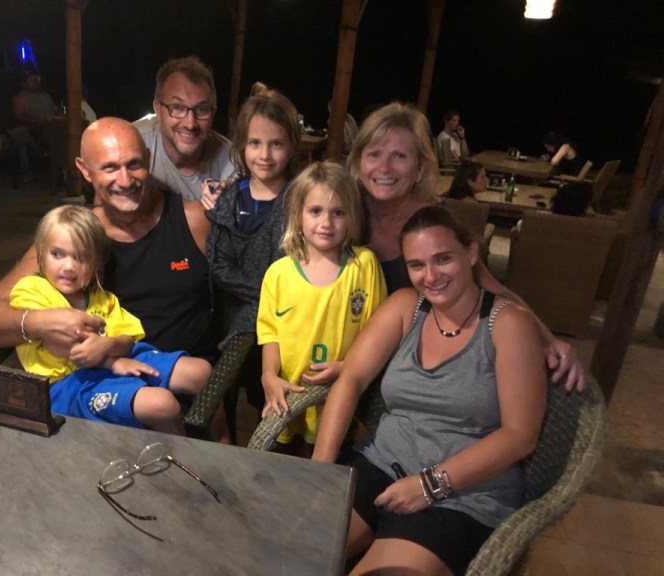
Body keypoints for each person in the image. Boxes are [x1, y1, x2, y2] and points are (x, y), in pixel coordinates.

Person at [313, 205, 547, 575]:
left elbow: (520, 436)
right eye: (417, 265)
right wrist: (320, 469)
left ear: (471, 253)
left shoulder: (507, 324)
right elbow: (352, 378)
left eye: (443, 259)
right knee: (287, 554)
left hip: (462, 494)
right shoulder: (406, 306)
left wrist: (429, 485)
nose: (431, 276)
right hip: (381, 464)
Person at [0, 117, 217, 398]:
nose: (125, 180)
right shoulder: (72, 239)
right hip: (105, 383)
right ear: (85, 170)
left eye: (134, 164)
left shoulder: (194, 220)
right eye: (110, 167)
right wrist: (39, 323)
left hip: (187, 382)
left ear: (148, 159)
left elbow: (243, 299)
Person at [347, 101, 584, 390]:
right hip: (344, 352)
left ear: (420, 168)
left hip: (409, 367)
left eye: (399, 156)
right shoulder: (341, 213)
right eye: (374, 154)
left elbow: (493, 289)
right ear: (359, 162)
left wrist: (549, 340)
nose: (384, 167)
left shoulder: (435, 222)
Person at [10, 205, 210, 434]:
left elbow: (128, 337)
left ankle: (210, 439)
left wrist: (109, 345)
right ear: (40, 255)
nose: (69, 267)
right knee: (161, 405)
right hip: (69, 383)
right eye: (57, 254)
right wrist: (112, 363)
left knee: (201, 372)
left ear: (95, 262)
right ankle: (175, 450)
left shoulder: (101, 297)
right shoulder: (31, 290)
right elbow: (60, 345)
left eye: (81, 257)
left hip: (116, 358)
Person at [257, 161, 387, 456]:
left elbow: (376, 333)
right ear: (298, 215)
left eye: (338, 212)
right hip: (289, 399)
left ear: (352, 216)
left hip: (342, 399)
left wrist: (348, 367)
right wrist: (269, 376)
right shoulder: (278, 274)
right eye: (315, 211)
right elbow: (270, 334)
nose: (326, 222)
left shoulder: (364, 265)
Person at [202, 85, 302, 442]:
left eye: (276, 144)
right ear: (242, 145)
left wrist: (268, 300)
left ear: (292, 146)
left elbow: (292, 274)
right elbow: (217, 265)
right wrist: (264, 293)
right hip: (226, 318)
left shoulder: (300, 202)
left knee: (271, 406)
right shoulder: (230, 196)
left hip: (281, 328)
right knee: (225, 399)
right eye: (255, 143)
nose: (265, 155)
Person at [133, 56, 236, 201]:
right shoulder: (132, 143)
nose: (190, 124)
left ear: (213, 114)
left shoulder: (232, 163)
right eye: (177, 107)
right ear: (158, 109)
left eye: (202, 110)